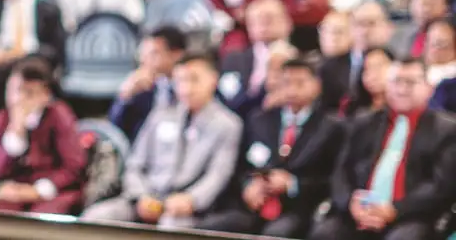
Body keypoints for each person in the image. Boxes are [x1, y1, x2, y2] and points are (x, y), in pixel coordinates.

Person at [81, 55, 242, 229]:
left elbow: (218, 174)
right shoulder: (161, 114)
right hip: (145, 198)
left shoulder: (227, 124)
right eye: (181, 80)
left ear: (213, 79)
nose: (187, 88)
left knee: (171, 228)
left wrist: (191, 200)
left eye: (194, 80)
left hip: (186, 207)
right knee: (96, 217)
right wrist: (141, 196)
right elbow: (135, 164)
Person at [311, 58, 456, 240]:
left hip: (410, 216)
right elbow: (341, 172)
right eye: (396, 81)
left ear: (429, 88)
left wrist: (394, 209)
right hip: (358, 212)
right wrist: (351, 204)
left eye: (410, 82)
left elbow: (440, 186)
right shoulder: (364, 122)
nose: (401, 89)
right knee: (325, 234)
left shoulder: (447, 130)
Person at [198, 58, 343, 238]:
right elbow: (241, 166)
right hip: (256, 205)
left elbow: (332, 179)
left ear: (316, 86)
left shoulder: (331, 127)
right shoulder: (260, 120)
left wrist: (292, 184)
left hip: (298, 208)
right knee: (211, 226)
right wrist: (248, 185)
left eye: (300, 83)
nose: (292, 90)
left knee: (277, 233)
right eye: (286, 83)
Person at [0, 57, 87, 215]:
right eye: (15, 91)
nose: (20, 100)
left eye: (29, 93)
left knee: (43, 221)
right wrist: (17, 130)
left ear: (45, 95)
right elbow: (0, 171)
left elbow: (73, 167)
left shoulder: (59, 116)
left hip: (55, 189)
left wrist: (38, 190)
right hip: (17, 190)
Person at [107, 26, 187, 142]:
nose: (145, 61)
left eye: (154, 54)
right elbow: (115, 129)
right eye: (144, 54)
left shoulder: (193, 88)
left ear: (176, 54)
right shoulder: (143, 88)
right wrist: (125, 97)